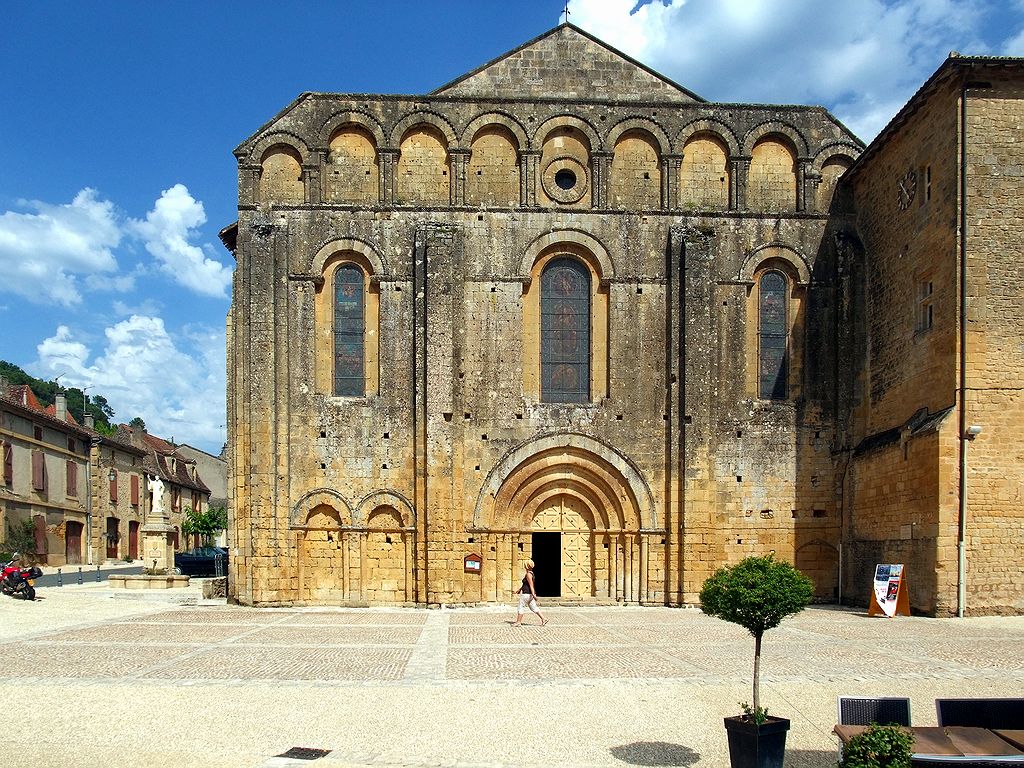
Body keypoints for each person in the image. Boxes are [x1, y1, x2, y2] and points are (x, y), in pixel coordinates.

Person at [512, 559, 547, 626]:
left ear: (526, 566)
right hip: (529, 594)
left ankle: (518, 622)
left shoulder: (528, 574)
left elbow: (531, 585)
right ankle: (543, 618)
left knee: (521, 606)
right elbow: (526, 584)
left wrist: (534, 594)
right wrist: (519, 590)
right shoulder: (531, 573)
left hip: (526, 594)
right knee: (533, 607)